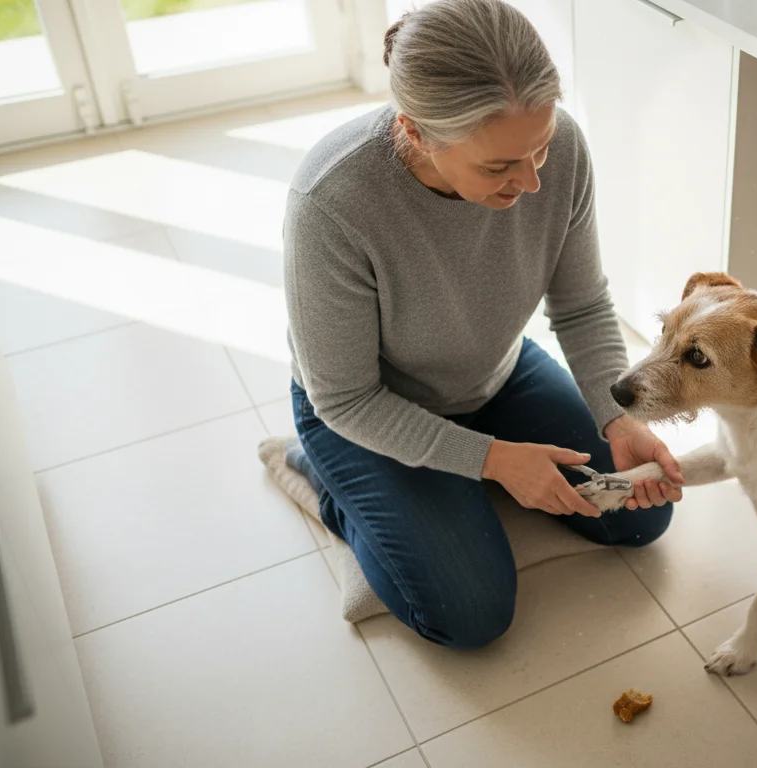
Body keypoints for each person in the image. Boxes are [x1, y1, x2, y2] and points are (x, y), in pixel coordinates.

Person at [271, 0, 683, 650]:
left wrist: (617, 415)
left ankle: (455, 490)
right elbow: (345, 396)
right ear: (414, 131)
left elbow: (580, 305)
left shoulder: (561, 150)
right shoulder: (331, 203)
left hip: (493, 372)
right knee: (471, 613)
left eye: (539, 149)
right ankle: (325, 483)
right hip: (364, 411)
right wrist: (493, 461)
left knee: (638, 519)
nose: (532, 181)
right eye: (498, 167)